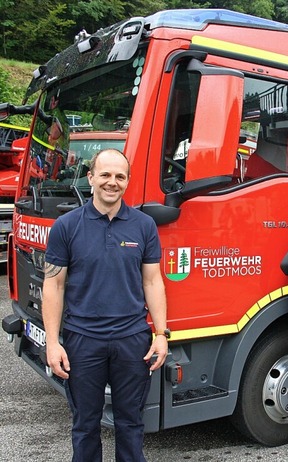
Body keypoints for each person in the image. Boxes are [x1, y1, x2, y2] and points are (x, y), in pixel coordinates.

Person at [43, 148, 169, 462]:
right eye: (105, 175)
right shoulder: (66, 226)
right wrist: (52, 342)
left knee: (131, 423)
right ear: (91, 178)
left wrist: (162, 334)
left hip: (132, 341)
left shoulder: (143, 226)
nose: (112, 182)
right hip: (82, 341)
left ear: (127, 181)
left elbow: (153, 282)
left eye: (119, 176)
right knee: (85, 425)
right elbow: (54, 284)